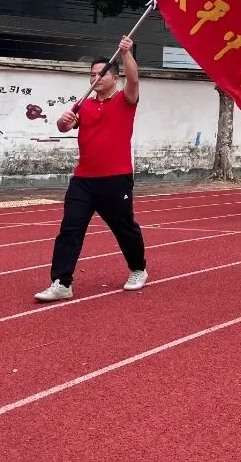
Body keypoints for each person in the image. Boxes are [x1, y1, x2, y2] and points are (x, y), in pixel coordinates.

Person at [35, 36, 147, 302]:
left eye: (101, 74)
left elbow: (134, 80)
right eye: (92, 75)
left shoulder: (125, 99)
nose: (95, 79)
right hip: (84, 179)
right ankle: (62, 282)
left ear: (114, 78)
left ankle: (138, 269)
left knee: (124, 228)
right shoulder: (83, 103)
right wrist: (63, 121)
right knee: (70, 229)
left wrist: (126, 53)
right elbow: (64, 127)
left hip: (116, 178)